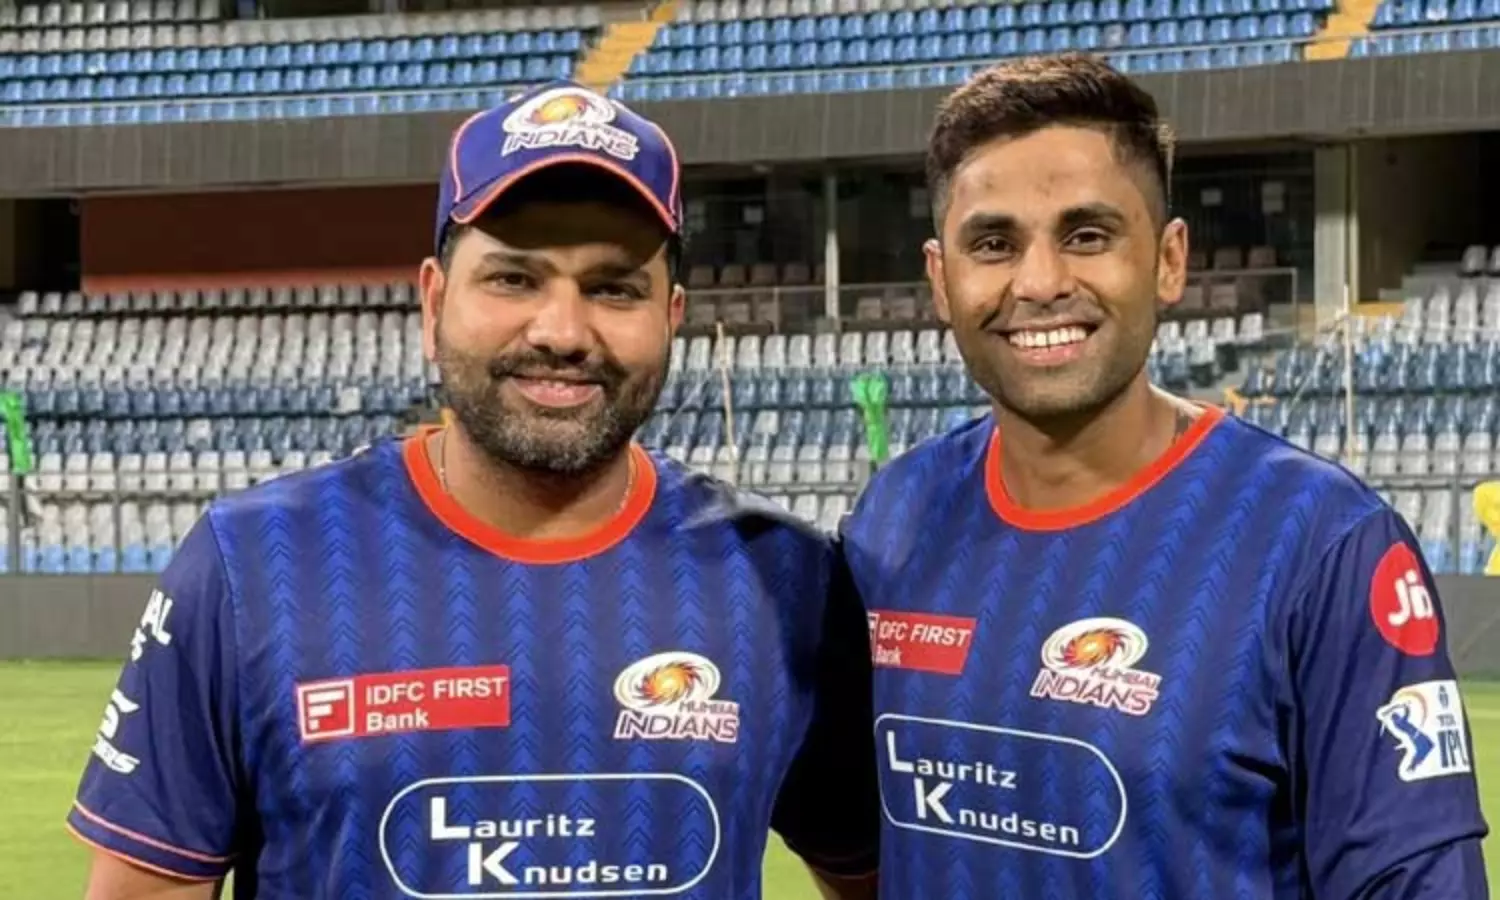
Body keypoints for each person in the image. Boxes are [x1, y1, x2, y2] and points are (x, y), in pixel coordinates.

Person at [68, 80, 878, 900]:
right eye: (514, 279)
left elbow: (876, 875)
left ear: (671, 317)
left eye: (613, 288)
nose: (562, 332)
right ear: (432, 303)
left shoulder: (785, 581)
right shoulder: (250, 566)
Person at [839, 54, 1488, 898]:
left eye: (1087, 235)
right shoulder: (894, 520)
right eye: (993, 244)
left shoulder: (1320, 545)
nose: (1039, 282)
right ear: (941, 279)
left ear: (1169, 259)